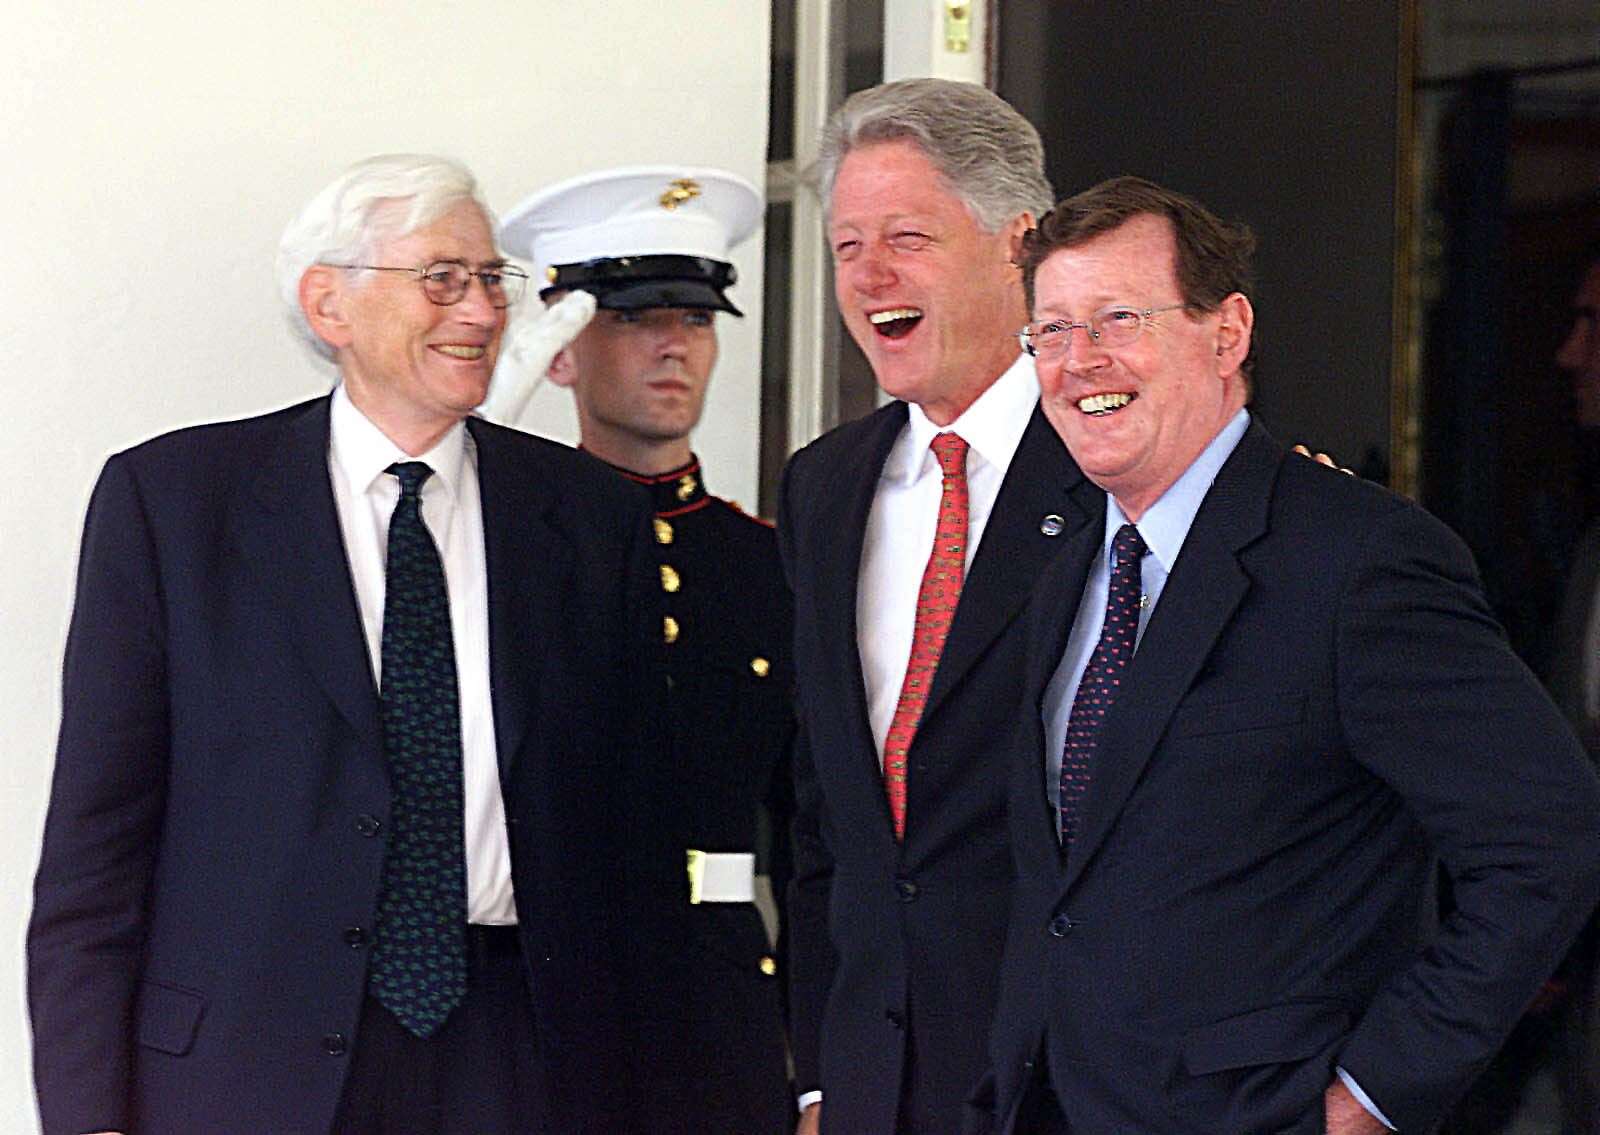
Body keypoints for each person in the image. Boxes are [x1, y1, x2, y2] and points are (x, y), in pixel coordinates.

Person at [26, 153, 661, 1135]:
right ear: (330, 305)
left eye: (492, 279)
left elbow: (632, 843)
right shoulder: (176, 505)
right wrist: (85, 1113)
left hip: (521, 1057)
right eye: (442, 278)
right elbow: (93, 855)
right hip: (245, 1057)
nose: (484, 312)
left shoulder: (587, 517)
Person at [975, 175, 1600, 1135]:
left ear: (1227, 333)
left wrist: (1372, 1099)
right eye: (1051, 330)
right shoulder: (1065, 573)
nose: (1078, 360)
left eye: (1116, 318)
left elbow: (1549, 836)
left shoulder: (1359, 559)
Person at [776, 78, 1069, 1135]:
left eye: (907, 236)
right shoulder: (822, 486)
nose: (870, 275)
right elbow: (821, 818)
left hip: (1068, 1079)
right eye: (847, 245)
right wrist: (817, 1073)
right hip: (871, 1081)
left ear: (1020, 245)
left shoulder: (1114, 460)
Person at [484, 165, 794, 1134]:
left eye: (697, 318)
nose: (673, 344)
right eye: (633, 317)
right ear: (564, 350)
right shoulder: (495, 549)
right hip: (544, 1006)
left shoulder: (769, 562)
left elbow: (817, 828)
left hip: (722, 1006)